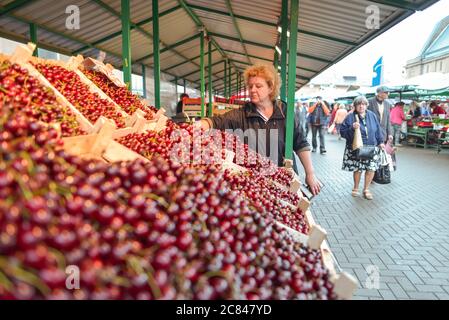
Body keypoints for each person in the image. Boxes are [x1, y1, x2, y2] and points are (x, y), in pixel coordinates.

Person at [198, 64, 321, 195]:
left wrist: (310, 174)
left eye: (258, 86)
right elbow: (217, 121)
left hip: (282, 182)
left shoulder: (285, 113)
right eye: (250, 86)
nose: (252, 90)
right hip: (255, 185)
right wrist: (200, 124)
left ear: (271, 88)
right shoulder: (242, 114)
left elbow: (301, 143)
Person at [340, 96, 385, 200]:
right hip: (358, 147)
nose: (361, 106)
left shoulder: (372, 115)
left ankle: (366, 189)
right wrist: (352, 128)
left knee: (371, 168)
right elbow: (342, 132)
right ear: (355, 106)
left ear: (366, 105)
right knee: (358, 168)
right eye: (359, 104)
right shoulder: (350, 117)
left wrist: (381, 142)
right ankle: (355, 188)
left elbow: (378, 129)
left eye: (363, 104)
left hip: (372, 146)